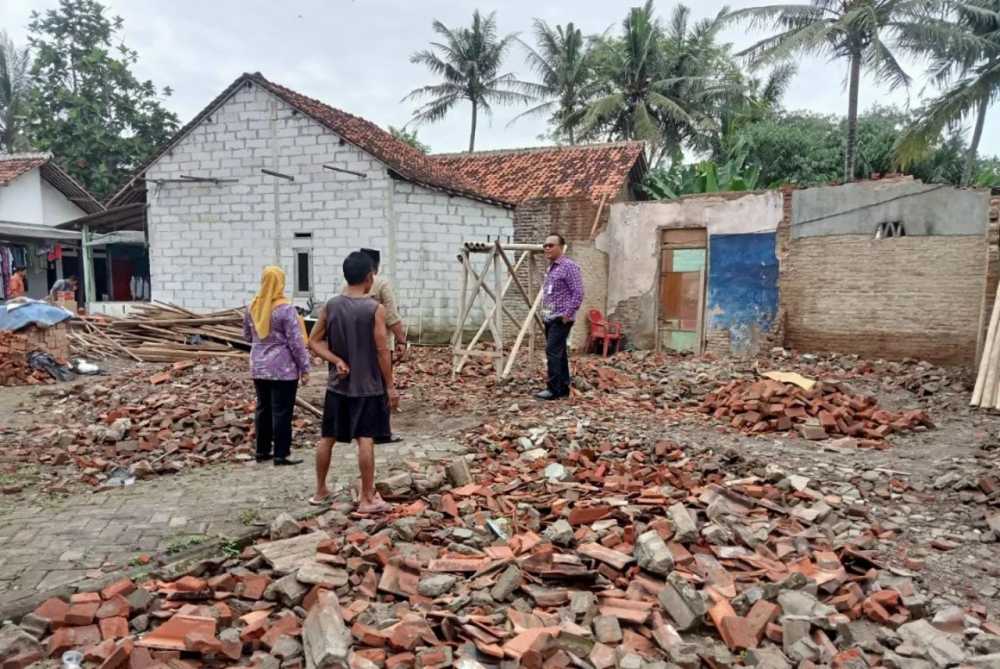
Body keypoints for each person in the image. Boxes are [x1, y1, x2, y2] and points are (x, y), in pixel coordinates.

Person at [310, 251, 398, 512]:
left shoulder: (331, 305)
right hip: (368, 386)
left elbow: (314, 341)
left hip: (338, 385)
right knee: (365, 439)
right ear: (370, 277)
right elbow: (382, 351)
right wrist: (390, 386)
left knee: (327, 438)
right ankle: (367, 498)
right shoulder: (375, 309)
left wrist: (335, 359)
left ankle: (320, 491)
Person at [243, 266, 311, 466]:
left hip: (258, 366)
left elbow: (247, 336)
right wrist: (305, 367)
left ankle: (262, 451)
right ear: (280, 283)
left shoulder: (252, 307)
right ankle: (281, 453)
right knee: (282, 410)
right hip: (283, 368)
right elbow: (296, 342)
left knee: (263, 408)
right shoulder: (285, 310)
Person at [344, 248, 406, 444]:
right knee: (382, 386)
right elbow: (391, 316)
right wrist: (402, 340)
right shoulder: (382, 284)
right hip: (380, 345)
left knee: (357, 387)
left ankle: (358, 429)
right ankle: (381, 432)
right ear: (374, 269)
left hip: (354, 347)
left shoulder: (346, 287)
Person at [535, 234, 584, 401]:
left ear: (561, 247)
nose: (547, 248)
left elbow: (578, 293)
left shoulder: (569, 267)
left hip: (561, 317)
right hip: (550, 316)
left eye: (551, 245)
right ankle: (563, 386)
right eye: (545, 245)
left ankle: (553, 389)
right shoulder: (552, 268)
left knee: (552, 351)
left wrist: (567, 314)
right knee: (559, 352)